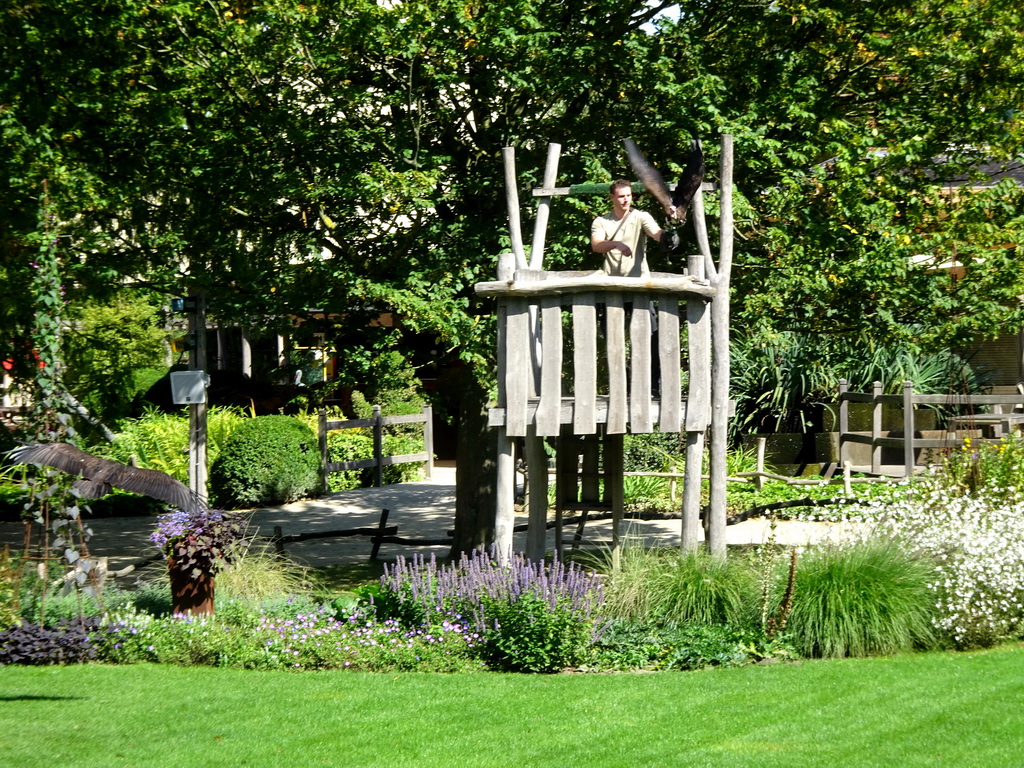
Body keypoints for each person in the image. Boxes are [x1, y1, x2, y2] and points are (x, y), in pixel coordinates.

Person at [590, 179, 665, 277]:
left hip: (638, 280)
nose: (626, 200)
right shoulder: (601, 221)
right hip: (611, 281)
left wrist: (667, 236)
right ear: (612, 197)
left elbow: (656, 233)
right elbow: (596, 245)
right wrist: (616, 244)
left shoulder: (641, 217)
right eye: (621, 196)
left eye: (628, 195)